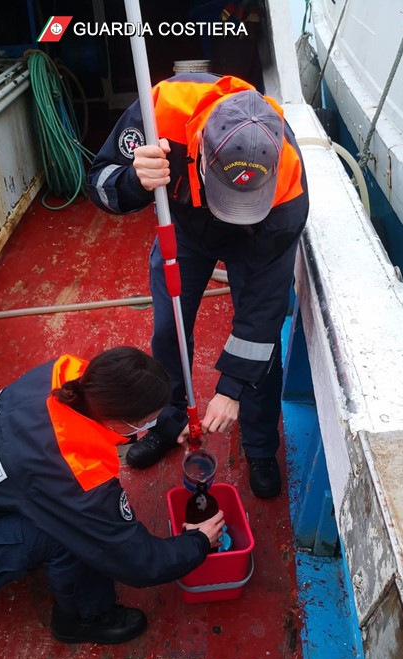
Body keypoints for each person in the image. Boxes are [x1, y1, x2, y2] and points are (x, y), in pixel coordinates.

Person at [0, 347, 224, 645]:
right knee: (75, 533)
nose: (151, 423)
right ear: (119, 421)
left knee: (63, 511)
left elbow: (118, 400)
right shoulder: (73, 472)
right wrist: (197, 542)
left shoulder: (67, 377)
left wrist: (171, 424)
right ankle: (83, 618)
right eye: (147, 420)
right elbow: (139, 562)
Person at [88, 73, 309, 499]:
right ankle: (167, 422)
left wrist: (231, 389)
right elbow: (99, 183)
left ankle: (260, 447)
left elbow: (261, 311)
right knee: (168, 329)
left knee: (262, 351)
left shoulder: (287, 191)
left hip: (255, 238)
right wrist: (134, 179)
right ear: (202, 153)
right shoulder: (163, 109)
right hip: (185, 227)